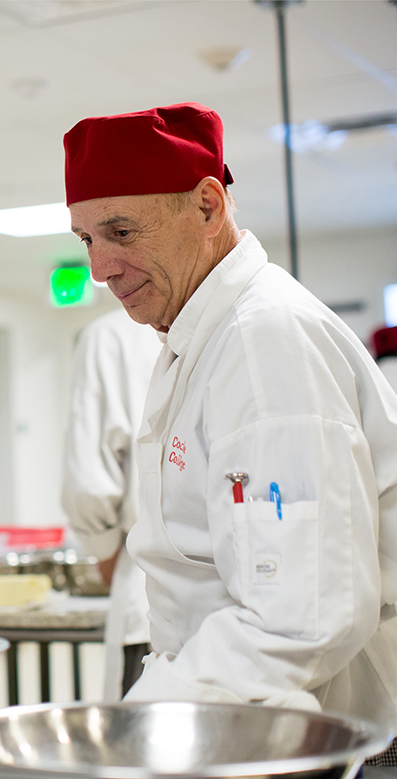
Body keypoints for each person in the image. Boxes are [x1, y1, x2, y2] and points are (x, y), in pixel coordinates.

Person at [63, 102, 397, 742]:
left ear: (208, 208)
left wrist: (143, 728)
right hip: (250, 712)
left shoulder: (262, 338)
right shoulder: (200, 337)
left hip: (341, 735)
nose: (99, 268)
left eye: (122, 232)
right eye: (86, 240)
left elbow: (302, 615)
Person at [62, 308, 160, 700]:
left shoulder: (111, 337)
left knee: (142, 750)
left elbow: (88, 481)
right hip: (251, 616)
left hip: (150, 596)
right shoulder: (242, 325)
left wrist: (102, 548)